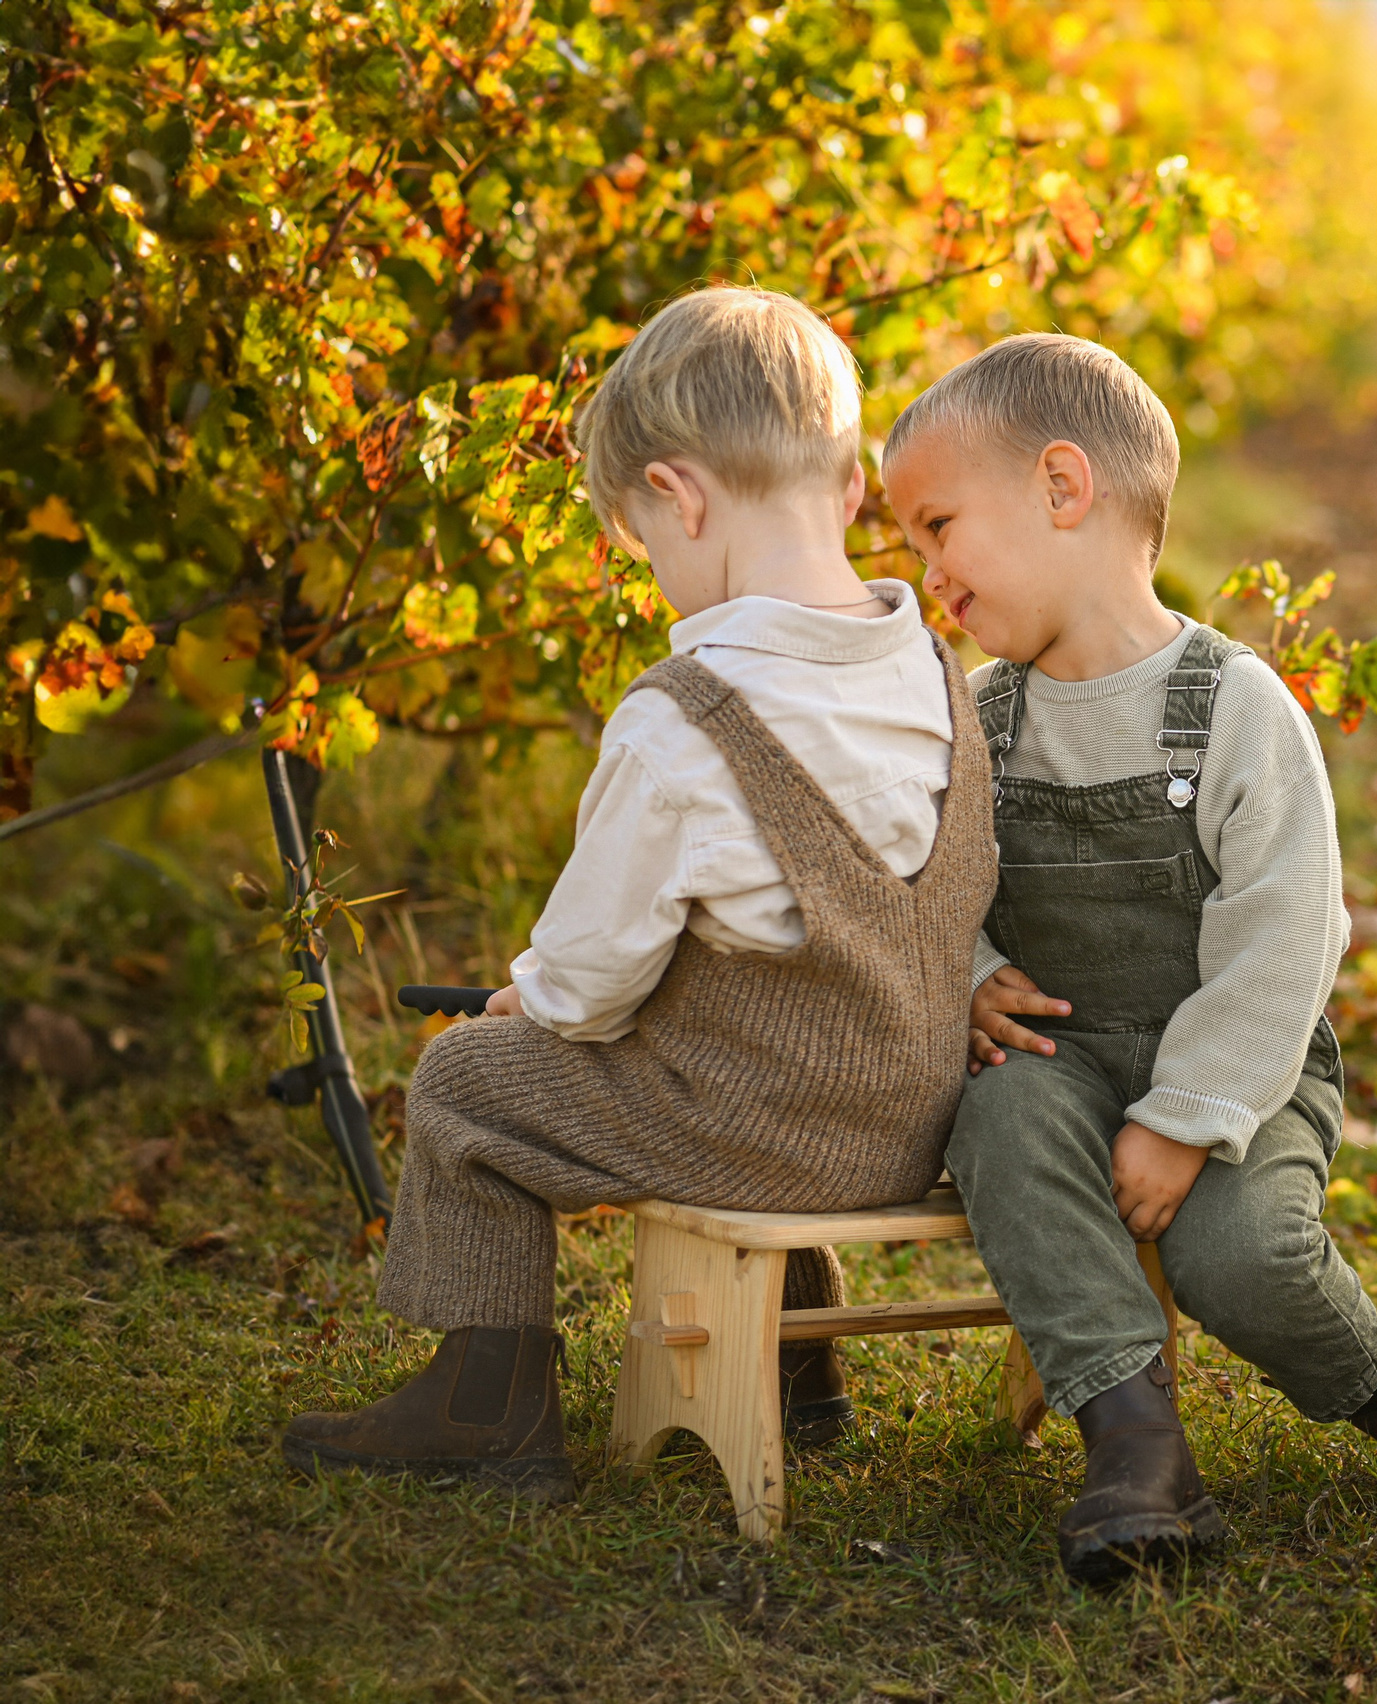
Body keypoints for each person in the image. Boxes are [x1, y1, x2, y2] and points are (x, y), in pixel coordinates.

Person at [283, 286, 997, 1499]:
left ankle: (489, 1407)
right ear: (847, 491)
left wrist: (526, 1005)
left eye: (647, 543)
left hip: (755, 1132)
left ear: (678, 495)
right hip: (916, 1119)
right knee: (776, 1003)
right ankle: (798, 1376)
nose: (661, 572)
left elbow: (597, 973)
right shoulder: (936, 675)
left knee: (466, 1087)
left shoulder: (686, 720)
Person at [880, 332, 1377, 1581]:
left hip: (1235, 1063)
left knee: (1242, 1256)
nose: (929, 575)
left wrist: (1186, 1117)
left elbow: (1288, 931)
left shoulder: (1232, 706)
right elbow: (919, 878)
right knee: (1002, 1126)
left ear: (1064, 489)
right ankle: (1133, 1441)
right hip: (1058, 1055)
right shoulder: (974, 714)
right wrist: (968, 971)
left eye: (940, 525)